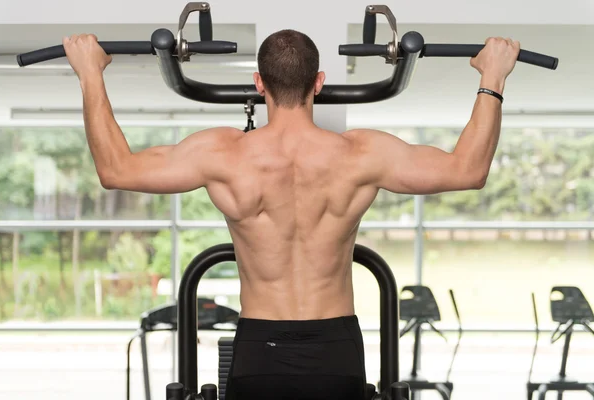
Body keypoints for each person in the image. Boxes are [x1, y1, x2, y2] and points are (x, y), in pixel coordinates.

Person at [62, 29, 520, 399]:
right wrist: (493, 77)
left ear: (260, 84)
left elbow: (115, 169)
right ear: (318, 82)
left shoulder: (222, 153)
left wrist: (89, 73)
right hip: (336, 349)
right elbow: (468, 170)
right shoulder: (362, 154)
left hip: (259, 348)